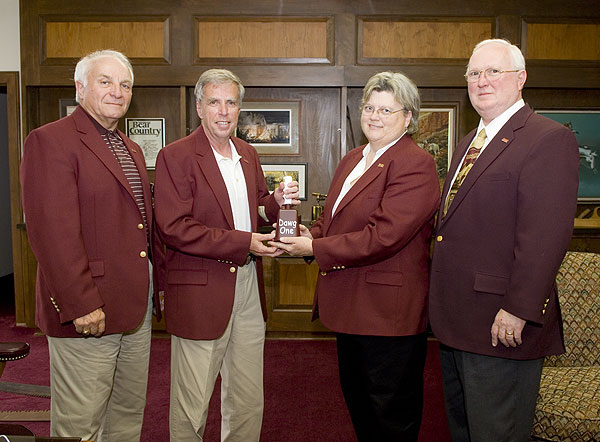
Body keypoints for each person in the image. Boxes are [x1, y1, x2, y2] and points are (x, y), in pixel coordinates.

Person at [272, 71, 440, 441]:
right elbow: (333, 219)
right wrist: (309, 234)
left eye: (386, 110)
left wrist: (314, 249)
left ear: (407, 117)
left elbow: (384, 236)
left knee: (390, 418)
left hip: (387, 315)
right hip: (350, 308)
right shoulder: (353, 159)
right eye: (369, 107)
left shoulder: (415, 163)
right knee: (361, 408)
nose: (374, 116)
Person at [428, 39, 580, 442]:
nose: (482, 81)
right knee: (464, 431)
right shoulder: (467, 144)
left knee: (498, 433)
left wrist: (518, 309)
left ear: (520, 78)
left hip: (503, 324)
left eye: (494, 71)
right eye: (474, 73)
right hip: (457, 321)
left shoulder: (547, 139)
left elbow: (545, 237)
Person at [20, 50, 162, 441]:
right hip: (88, 310)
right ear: (80, 87)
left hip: (134, 310)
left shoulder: (130, 148)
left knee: (126, 415)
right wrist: (81, 303)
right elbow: (52, 234)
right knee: (81, 425)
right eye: (106, 81)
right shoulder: (50, 141)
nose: (118, 91)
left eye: (125, 84)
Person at [153, 68, 299, 442]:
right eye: (214, 101)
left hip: (249, 285)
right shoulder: (176, 156)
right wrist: (243, 242)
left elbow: (258, 205)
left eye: (231, 102)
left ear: (239, 108)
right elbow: (174, 227)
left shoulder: (247, 153)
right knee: (192, 404)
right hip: (201, 289)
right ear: (199, 106)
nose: (223, 110)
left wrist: (276, 204)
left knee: (248, 397)